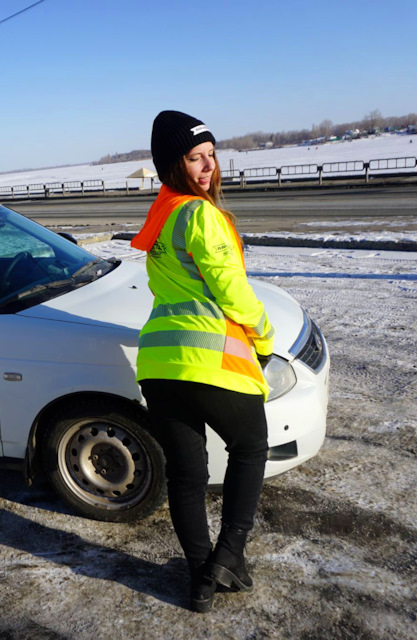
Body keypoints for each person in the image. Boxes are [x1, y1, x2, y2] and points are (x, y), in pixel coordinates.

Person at [131, 110, 274, 613]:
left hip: (159, 368)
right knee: (251, 446)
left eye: (212, 154)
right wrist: (262, 335)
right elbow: (232, 290)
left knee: (187, 476)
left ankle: (200, 579)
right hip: (209, 362)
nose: (208, 166)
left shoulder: (162, 217)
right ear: (174, 165)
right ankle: (230, 555)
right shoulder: (200, 215)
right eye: (195, 158)